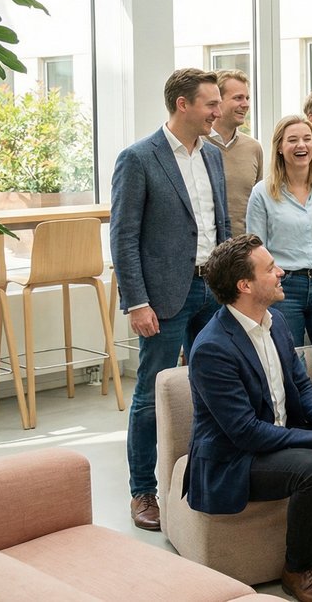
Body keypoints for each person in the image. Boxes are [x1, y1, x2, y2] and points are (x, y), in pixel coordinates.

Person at [186, 235, 312, 602]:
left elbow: (302, 386)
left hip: (275, 440)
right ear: (244, 285)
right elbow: (245, 433)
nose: (281, 272)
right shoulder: (212, 347)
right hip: (234, 460)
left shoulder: (275, 322)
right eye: (270, 269)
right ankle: (297, 569)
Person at [111, 68, 230, 531]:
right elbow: (123, 239)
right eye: (210, 104)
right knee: (149, 395)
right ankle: (143, 490)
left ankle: (201, 473)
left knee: (212, 385)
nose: (217, 112)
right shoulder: (138, 158)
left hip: (212, 290)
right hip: (163, 297)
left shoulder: (214, 157)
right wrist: (135, 301)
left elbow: (222, 228)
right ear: (183, 104)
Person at [246, 115, 312, 347]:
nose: (301, 145)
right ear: (280, 148)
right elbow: (256, 249)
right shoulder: (262, 192)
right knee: (289, 357)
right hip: (284, 288)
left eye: (307, 139)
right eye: (292, 140)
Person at [207, 69, 262, 237]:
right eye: (238, 98)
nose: (245, 104)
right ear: (217, 101)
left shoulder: (253, 148)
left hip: (243, 252)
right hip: (205, 254)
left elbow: (258, 207)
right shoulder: (196, 145)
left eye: (247, 98)